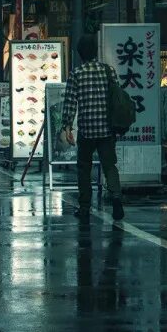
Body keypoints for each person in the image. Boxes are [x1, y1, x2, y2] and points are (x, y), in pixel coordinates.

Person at [61, 33, 125, 222]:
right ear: (95, 51)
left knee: (84, 168)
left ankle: (84, 207)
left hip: (87, 130)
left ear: (80, 53)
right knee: (109, 166)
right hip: (107, 129)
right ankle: (117, 201)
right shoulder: (108, 71)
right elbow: (117, 98)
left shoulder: (77, 74)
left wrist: (67, 127)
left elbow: (70, 102)